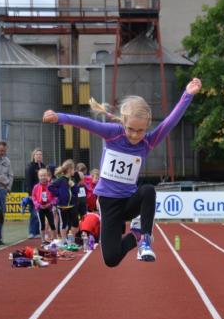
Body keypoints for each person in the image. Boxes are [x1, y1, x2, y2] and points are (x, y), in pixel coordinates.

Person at [43, 77, 202, 266]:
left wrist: (187, 95)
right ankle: (136, 235)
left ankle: (145, 240)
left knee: (148, 190)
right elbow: (86, 123)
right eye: (130, 129)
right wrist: (59, 117)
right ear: (123, 122)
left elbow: (170, 122)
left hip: (129, 201)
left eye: (140, 131)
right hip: (109, 204)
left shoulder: (148, 142)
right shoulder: (112, 133)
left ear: (147, 126)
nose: (135, 135)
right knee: (111, 259)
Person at [48, 159, 77, 244]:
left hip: (71, 205)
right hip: (62, 206)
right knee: (64, 223)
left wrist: (73, 185)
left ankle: (70, 240)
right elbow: (50, 187)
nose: (74, 171)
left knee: (73, 223)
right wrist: (59, 193)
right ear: (69, 169)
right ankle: (64, 240)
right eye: (73, 169)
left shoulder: (71, 180)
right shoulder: (61, 179)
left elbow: (76, 191)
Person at [31, 167, 57, 244]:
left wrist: (50, 204)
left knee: (52, 223)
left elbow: (55, 197)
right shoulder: (36, 187)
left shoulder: (51, 186)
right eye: (41, 176)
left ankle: (54, 239)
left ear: (47, 176)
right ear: (38, 177)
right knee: (42, 224)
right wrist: (38, 205)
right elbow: (33, 197)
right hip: (40, 208)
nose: (43, 177)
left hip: (49, 208)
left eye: (45, 175)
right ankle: (43, 240)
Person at [24, 148, 43, 238]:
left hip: (43, 194)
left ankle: (38, 232)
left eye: (40, 154)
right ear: (34, 156)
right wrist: (31, 194)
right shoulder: (30, 167)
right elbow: (28, 182)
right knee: (34, 213)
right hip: (34, 194)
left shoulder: (43, 166)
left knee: (40, 214)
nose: (39, 156)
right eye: (37, 154)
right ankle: (32, 232)